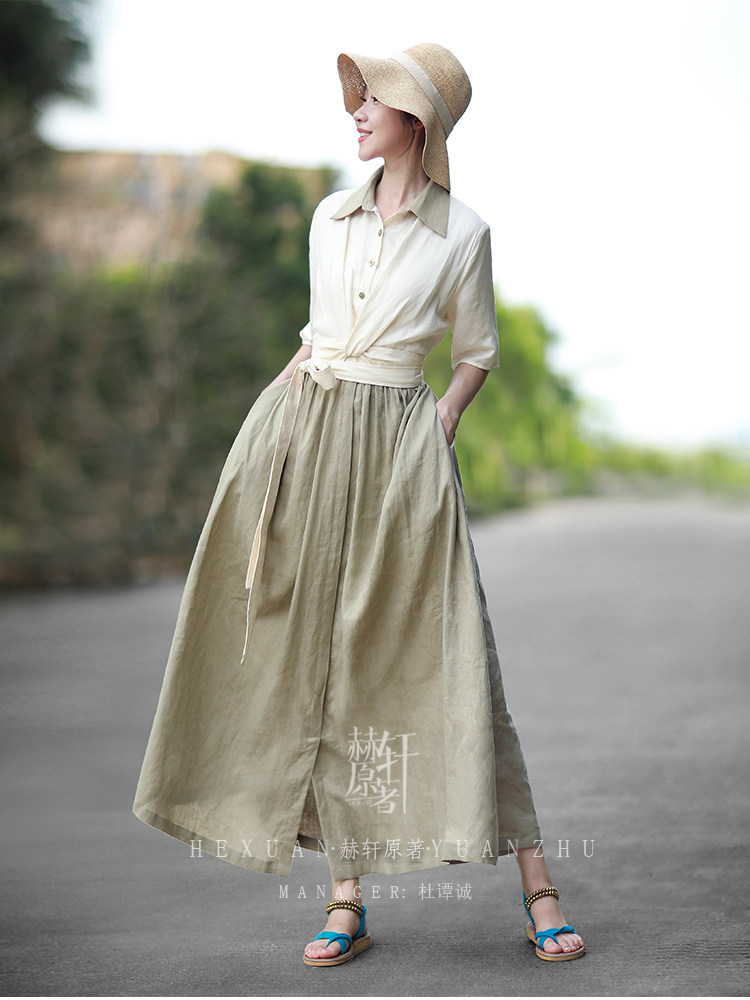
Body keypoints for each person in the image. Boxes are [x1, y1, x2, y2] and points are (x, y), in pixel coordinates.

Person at [132, 43, 584, 968]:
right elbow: (315, 339)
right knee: (314, 658)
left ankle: (539, 880)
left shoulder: (463, 233)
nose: (357, 110)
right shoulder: (328, 218)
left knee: (453, 658)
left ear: (416, 120)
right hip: (304, 432)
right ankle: (346, 898)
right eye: (359, 97)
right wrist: (260, 435)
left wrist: (440, 427)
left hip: (400, 451)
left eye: (374, 98)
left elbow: (476, 352)